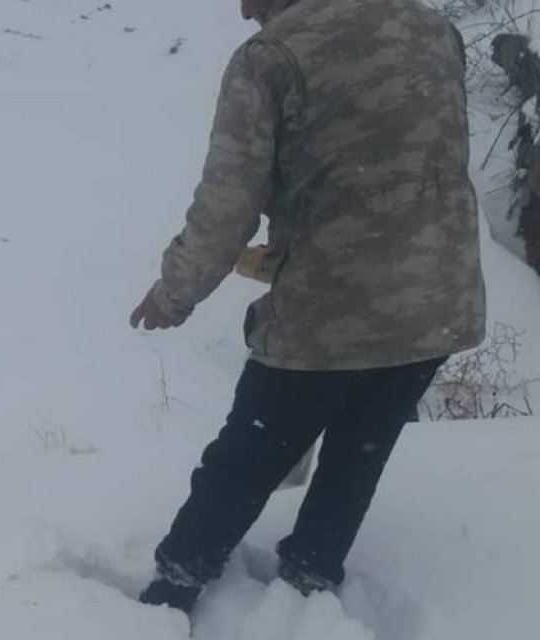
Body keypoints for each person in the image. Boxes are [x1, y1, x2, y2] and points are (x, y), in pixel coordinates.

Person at [128, 0, 487, 614]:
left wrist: (174, 292)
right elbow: (407, 163)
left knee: (245, 459)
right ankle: (310, 580)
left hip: (330, 313)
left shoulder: (271, 57)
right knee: (360, 452)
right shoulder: (431, 27)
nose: (243, 12)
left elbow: (228, 203)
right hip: (436, 301)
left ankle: (170, 595)